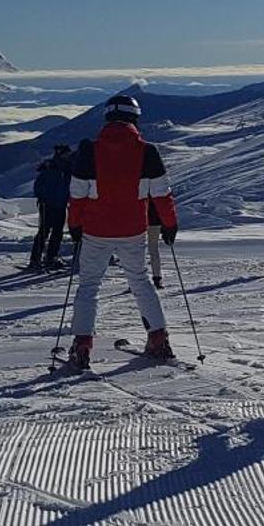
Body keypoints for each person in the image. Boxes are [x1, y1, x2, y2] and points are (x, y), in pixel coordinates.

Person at [65, 95, 178, 369]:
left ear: (106, 118)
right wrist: (169, 224)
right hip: (133, 230)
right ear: (135, 118)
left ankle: (82, 346)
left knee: (89, 286)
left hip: (95, 230)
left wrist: (75, 226)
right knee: (140, 282)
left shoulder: (88, 151)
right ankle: (158, 338)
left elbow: (77, 195)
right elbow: (162, 193)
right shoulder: (147, 151)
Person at [28, 144, 73, 270]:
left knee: (49, 232)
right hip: (53, 204)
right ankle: (47, 258)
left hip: (52, 204)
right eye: (66, 154)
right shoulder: (62, 168)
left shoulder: (53, 167)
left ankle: (39, 259)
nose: (68, 156)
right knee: (50, 232)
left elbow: (38, 186)